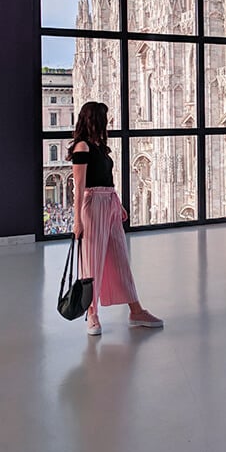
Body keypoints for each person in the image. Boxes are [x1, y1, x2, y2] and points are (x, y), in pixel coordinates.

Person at [68, 101, 163, 336]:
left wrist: (117, 204)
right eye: (104, 117)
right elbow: (79, 188)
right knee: (92, 261)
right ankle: (92, 314)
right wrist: (77, 220)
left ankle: (136, 310)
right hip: (92, 206)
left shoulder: (101, 147)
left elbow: (108, 179)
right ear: (93, 119)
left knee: (120, 257)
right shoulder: (82, 147)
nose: (107, 122)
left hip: (109, 202)